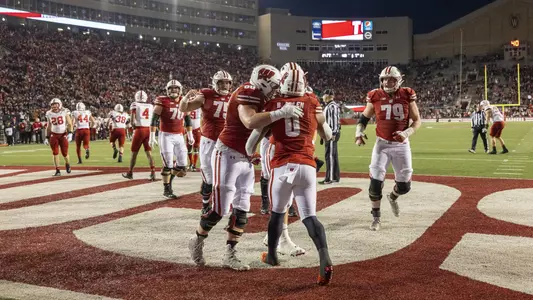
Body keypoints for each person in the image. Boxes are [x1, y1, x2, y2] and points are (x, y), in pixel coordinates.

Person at [188, 65, 302, 271]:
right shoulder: (248, 92)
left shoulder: (259, 95)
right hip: (227, 153)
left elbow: (261, 130)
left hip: (245, 157)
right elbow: (250, 121)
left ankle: (230, 254)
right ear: (263, 82)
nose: (276, 89)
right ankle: (197, 239)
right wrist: (280, 112)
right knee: (220, 208)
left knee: (242, 208)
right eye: (274, 85)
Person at [247, 69, 334, 285]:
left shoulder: (274, 104)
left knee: (277, 213)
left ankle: (273, 255)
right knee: (309, 216)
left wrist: (251, 153)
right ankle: (324, 259)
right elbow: (328, 134)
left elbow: (252, 141)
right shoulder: (313, 101)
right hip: (306, 165)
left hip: (282, 166)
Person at [354, 66, 421, 231]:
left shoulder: (407, 94)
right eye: (385, 79)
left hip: (401, 145)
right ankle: (376, 217)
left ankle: (393, 197)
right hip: (381, 144)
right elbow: (364, 117)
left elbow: (417, 120)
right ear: (381, 80)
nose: (387, 82)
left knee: (404, 187)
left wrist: (407, 132)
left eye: (391, 79)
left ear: (399, 80)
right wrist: (359, 132)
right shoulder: (375, 95)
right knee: (375, 183)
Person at [179, 70, 232, 214]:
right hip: (209, 140)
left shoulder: (234, 97)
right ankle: (206, 204)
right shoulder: (206, 94)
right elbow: (184, 108)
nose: (224, 85)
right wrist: (185, 99)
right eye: (221, 82)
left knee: (227, 174)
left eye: (227, 82)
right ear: (215, 83)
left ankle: (227, 204)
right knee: (208, 175)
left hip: (227, 141)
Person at [151, 80, 194, 199]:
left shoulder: (183, 101)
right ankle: (166, 188)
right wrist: (151, 135)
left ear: (180, 90)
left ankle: (169, 181)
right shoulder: (162, 100)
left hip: (179, 136)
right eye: (171, 88)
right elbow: (154, 118)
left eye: (175, 88)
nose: (173, 90)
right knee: (168, 164)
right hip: (166, 136)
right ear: (167, 90)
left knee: (182, 165)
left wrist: (190, 134)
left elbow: (187, 119)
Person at [122, 90, 156, 181]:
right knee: (149, 153)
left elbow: (133, 120)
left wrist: (133, 126)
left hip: (140, 130)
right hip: (148, 130)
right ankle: (153, 173)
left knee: (134, 153)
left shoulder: (135, 104)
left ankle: (130, 173)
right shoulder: (150, 106)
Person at [44, 98, 73, 176]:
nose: (54, 107)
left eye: (56, 105)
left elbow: (70, 123)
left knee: (65, 153)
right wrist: (46, 137)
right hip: (54, 134)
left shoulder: (64, 111)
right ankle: (57, 170)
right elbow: (49, 126)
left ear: (60, 104)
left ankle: (67, 164)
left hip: (63, 134)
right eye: (53, 105)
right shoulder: (49, 113)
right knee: (55, 153)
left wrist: (70, 133)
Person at [320, 89, 341, 184]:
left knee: (330, 156)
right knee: (332, 155)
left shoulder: (331, 106)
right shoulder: (330, 106)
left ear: (329, 95)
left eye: (324, 95)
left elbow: (333, 121)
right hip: (329, 133)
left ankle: (330, 178)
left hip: (331, 134)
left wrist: (333, 133)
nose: (323, 97)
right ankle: (335, 177)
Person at [186, 107, 201, 172]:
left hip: (197, 128)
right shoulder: (187, 105)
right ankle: (191, 163)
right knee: (189, 147)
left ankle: (194, 165)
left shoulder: (199, 106)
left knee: (196, 147)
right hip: (189, 129)